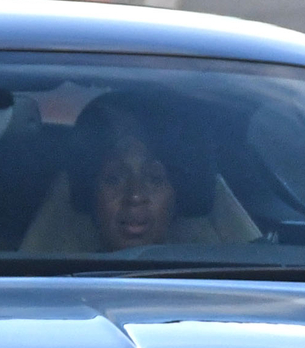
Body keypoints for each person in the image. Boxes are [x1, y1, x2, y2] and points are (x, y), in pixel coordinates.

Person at [58, 92, 217, 251]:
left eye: (155, 179)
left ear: (179, 194)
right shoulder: (47, 269)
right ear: (89, 192)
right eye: (114, 179)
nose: (135, 196)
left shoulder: (219, 271)